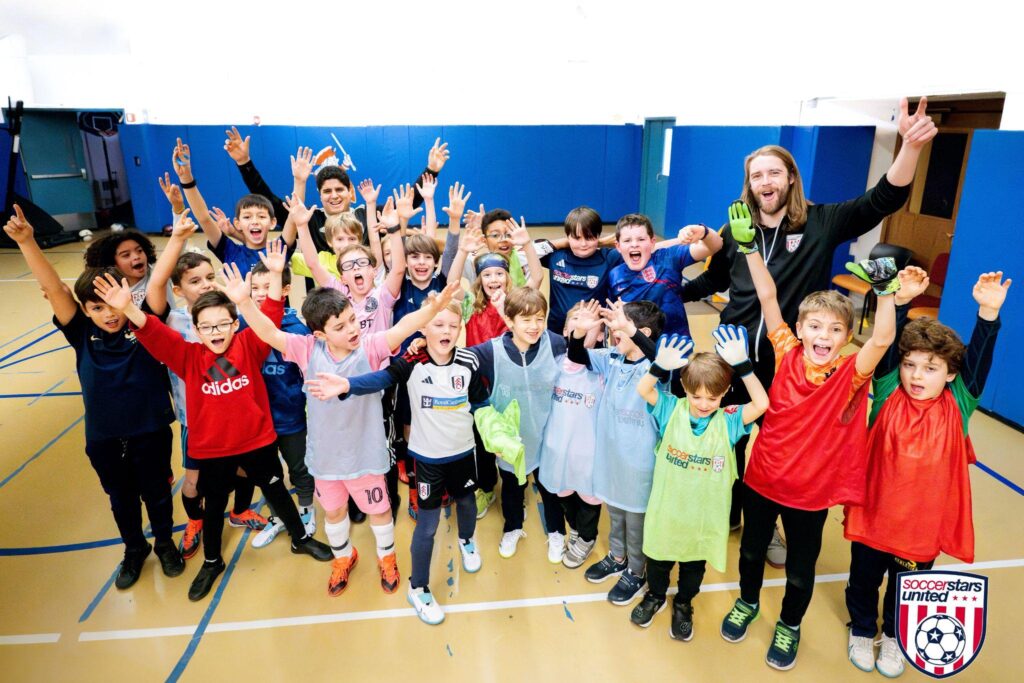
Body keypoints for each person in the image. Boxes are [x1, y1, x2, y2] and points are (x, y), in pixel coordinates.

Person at [680, 99, 939, 555]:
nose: (765, 182)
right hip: (734, 350)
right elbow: (719, 278)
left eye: (773, 173)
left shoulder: (822, 221)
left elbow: (883, 198)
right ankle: (730, 510)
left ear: (790, 177)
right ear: (750, 184)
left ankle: (773, 523)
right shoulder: (738, 227)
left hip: (793, 358)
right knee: (729, 433)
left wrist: (911, 147)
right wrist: (665, 287)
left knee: (786, 446)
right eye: (757, 175)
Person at [92, 246, 333, 601]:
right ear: (197, 329)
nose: (215, 331)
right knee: (215, 506)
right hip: (213, 451)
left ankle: (300, 538)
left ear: (235, 324)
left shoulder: (250, 345)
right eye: (206, 326)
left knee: (276, 489)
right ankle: (212, 560)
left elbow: (270, 313)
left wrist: (274, 276)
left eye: (222, 324)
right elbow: (154, 332)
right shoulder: (186, 356)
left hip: (257, 442)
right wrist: (128, 308)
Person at [720, 202, 900, 671]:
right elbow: (767, 298)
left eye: (835, 329)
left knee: (800, 570)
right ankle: (747, 601)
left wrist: (884, 293)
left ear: (846, 337)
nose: (823, 335)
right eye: (815, 326)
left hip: (811, 494)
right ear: (799, 330)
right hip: (762, 478)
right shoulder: (785, 352)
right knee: (753, 553)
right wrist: (750, 248)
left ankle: (790, 623)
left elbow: (880, 341)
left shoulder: (851, 372)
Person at [4, 205, 184, 590]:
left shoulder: (145, 325)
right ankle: (134, 549)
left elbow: (159, 280)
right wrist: (27, 241)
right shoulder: (82, 334)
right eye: (96, 308)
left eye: (113, 302)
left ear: (126, 296)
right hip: (104, 437)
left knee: (157, 493)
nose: (108, 314)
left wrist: (179, 237)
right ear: (84, 311)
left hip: (150, 429)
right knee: (121, 500)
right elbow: (55, 289)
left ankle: (165, 542)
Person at [843, 269, 1009, 678]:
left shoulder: (960, 404)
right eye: (911, 365)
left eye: (931, 368)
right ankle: (862, 628)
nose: (917, 376)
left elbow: (979, 362)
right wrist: (899, 304)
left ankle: (898, 638)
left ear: (950, 375)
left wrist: (988, 313)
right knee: (863, 579)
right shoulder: (886, 393)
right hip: (874, 513)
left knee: (907, 588)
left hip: (920, 525)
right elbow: (884, 346)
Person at [305, 292, 487, 624]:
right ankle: (418, 588)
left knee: (467, 503)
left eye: (453, 324)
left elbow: (482, 403)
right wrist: (346, 384)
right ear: (424, 331)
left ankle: (467, 540)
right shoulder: (411, 362)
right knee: (428, 527)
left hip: (464, 453)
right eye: (437, 324)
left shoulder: (470, 361)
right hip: (428, 461)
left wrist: (495, 433)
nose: (446, 331)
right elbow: (380, 379)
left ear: (461, 328)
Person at [631, 326, 769, 640]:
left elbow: (761, 405)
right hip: (667, 513)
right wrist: (657, 366)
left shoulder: (729, 421)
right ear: (684, 388)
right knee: (658, 563)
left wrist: (744, 366)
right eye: (697, 396)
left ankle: (683, 603)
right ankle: (654, 596)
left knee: (693, 572)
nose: (704, 403)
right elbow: (644, 390)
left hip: (701, 520)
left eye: (713, 397)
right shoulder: (670, 409)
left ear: (724, 395)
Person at [570, 299, 664, 605]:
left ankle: (637, 571)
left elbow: (659, 358)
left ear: (641, 332)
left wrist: (632, 332)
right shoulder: (612, 356)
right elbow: (576, 355)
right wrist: (579, 332)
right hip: (611, 457)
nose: (613, 336)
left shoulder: (657, 366)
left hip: (640, 465)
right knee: (615, 513)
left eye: (619, 331)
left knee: (635, 522)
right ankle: (618, 556)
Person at [224, 127, 448, 253]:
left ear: (349, 190)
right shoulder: (309, 218)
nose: (333, 195)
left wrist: (432, 170)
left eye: (339, 189)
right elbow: (269, 200)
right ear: (320, 195)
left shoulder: (366, 214)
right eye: (327, 191)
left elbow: (409, 202)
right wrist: (245, 163)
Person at [463, 288, 568, 557]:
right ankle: (513, 527)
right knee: (511, 487)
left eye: (540, 319)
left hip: (547, 436)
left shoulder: (554, 344)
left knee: (550, 489)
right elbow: (457, 359)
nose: (535, 327)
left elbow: (579, 357)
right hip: (512, 443)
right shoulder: (489, 353)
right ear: (509, 321)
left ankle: (557, 532)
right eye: (526, 319)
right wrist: (420, 344)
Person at [245, 261, 318, 548]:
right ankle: (278, 516)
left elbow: (309, 373)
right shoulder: (242, 325)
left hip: (291, 417)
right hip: (258, 421)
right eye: (256, 288)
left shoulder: (296, 329)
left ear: (285, 289)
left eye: (269, 286)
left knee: (299, 468)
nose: (262, 294)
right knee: (269, 474)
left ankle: (305, 511)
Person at [537, 301, 605, 567]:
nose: (581, 326)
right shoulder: (552, 363)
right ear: (566, 330)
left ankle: (587, 537)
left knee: (589, 498)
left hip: (589, 452)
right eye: (575, 322)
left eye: (589, 323)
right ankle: (575, 529)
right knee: (563, 493)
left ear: (600, 333)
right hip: (557, 448)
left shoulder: (604, 368)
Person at [170, 139, 299, 274]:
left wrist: (299, 180)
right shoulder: (230, 251)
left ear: (273, 222)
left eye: (261, 216)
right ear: (237, 223)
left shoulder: (278, 250)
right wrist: (186, 179)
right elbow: (204, 218)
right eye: (247, 217)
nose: (254, 221)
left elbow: (294, 215)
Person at [607, 213, 722, 337]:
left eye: (641, 239)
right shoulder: (614, 276)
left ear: (652, 242)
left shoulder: (668, 258)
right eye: (627, 240)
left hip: (675, 346)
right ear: (618, 246)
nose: (634, 244)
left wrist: (703, 232)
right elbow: (612, 318)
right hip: (634, 349)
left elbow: (715, 246)